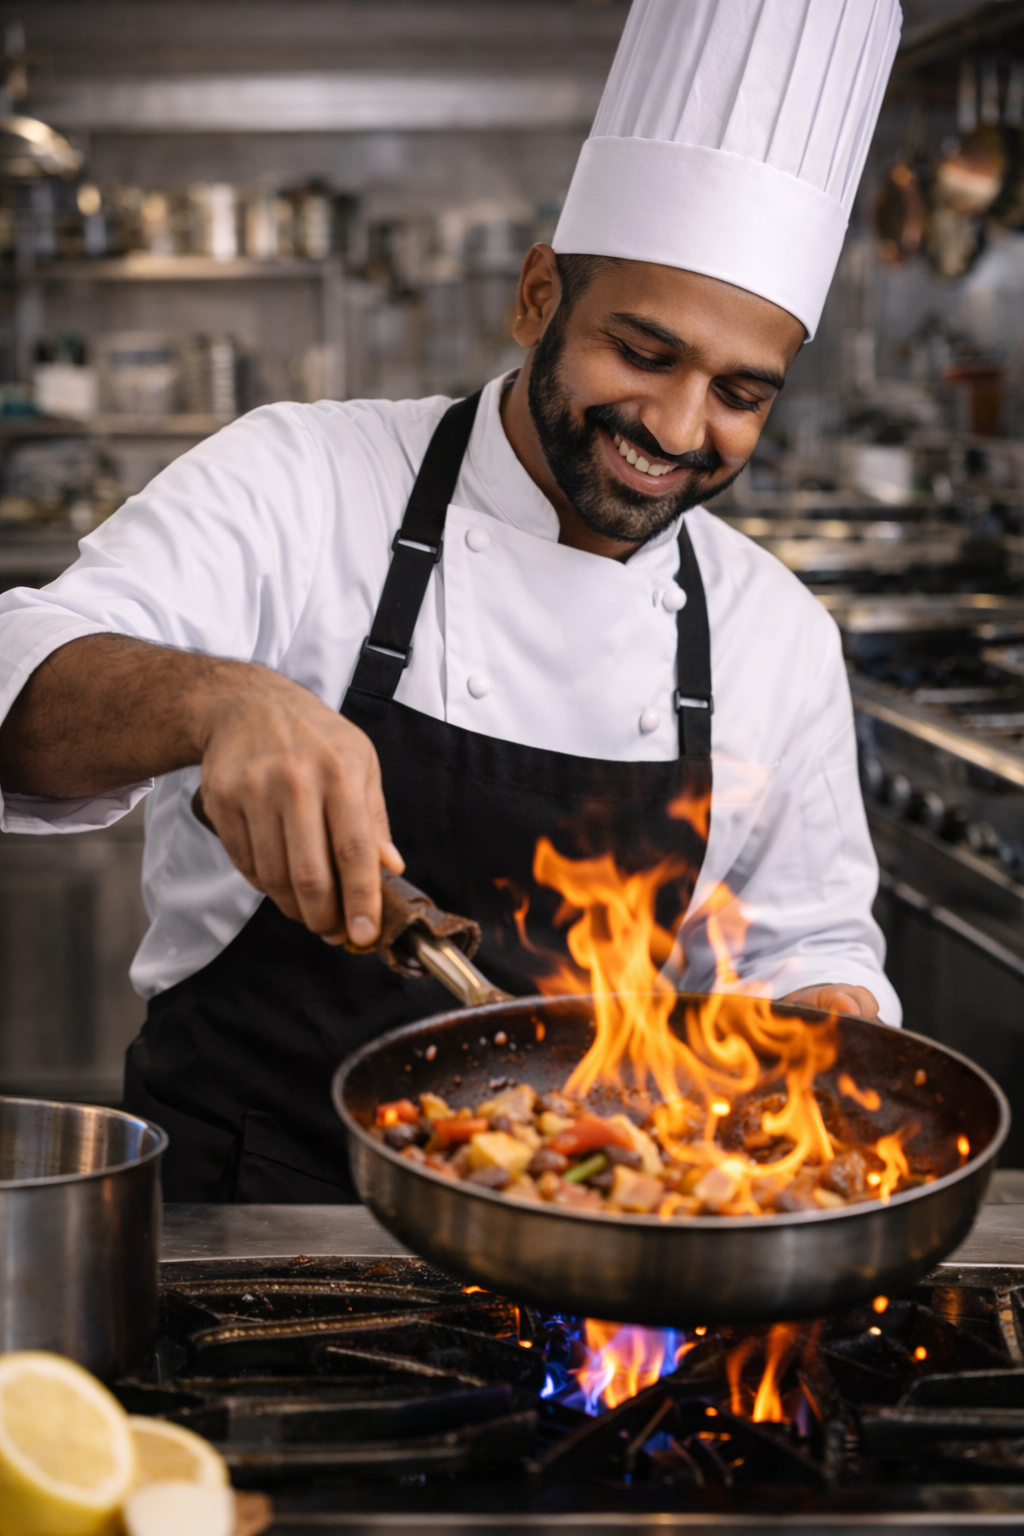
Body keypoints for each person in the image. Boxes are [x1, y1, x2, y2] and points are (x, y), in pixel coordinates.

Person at [0, 0, 903, 1202]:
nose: (679, 431)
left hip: (596, 1246)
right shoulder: (300, 478)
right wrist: (216, 703)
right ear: (537, 297)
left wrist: (824, 1012)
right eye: (641, 354)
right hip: (256, 1225)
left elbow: (807, 941)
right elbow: (18, 674)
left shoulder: (773, 630)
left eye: (740, 392)